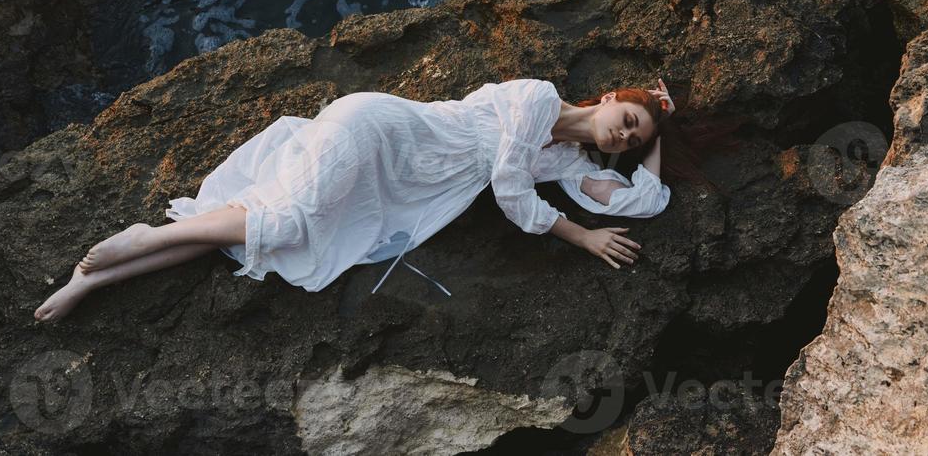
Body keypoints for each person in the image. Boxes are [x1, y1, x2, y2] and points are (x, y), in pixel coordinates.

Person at [35, 78, 682, 322]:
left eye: (632, 138)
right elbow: (511, 191)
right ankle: (145, 235)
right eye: (627, 116)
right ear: (606, 99)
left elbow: (642, 204)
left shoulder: (567, 162)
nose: (624, 133)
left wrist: (662, 131)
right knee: (286, 223)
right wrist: (578, 235)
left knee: (254, 238)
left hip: (392, 184)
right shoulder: (538, 98)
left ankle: (88, 282)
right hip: (377, 130)